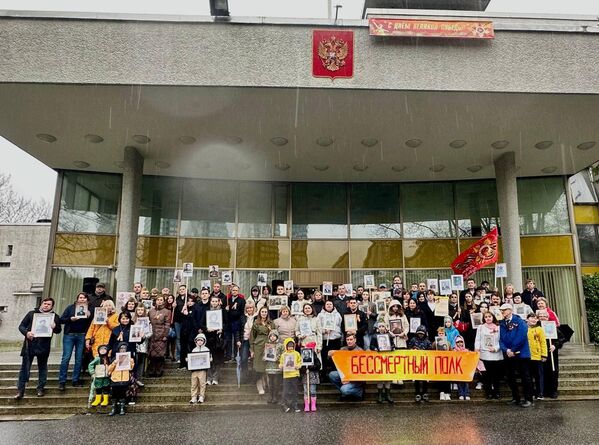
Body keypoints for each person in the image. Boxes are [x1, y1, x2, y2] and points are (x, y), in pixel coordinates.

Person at [14, 297, 62, 399]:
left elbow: (58, 330)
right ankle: (20, 391)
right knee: (24, 369)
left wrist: (55, 326)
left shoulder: (55, 317)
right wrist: (27, 333)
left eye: (49, 304)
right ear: (41, 304)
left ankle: (40, 388)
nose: (46, 305)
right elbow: (21, 326)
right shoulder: (32, 314)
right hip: (30, 345)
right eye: (44, 303)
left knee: (43, 368)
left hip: (44, 346)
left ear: (52, 306)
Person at [499, 303, 533, 408]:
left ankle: (528, 399)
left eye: (504, 310)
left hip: (521, 353)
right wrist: (506, 350)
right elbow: (501, 339)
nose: (502, 312)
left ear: (510, 310)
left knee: (525, 377)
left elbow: (521, 337)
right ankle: (516, 398)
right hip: (509, 354)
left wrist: (513, 349)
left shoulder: (519, 321)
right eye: (502, 310)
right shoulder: (502, 323)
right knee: (510, 377)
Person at [59, 292, 93, 390]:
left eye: (84, 298)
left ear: (87, 299)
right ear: (77, 299)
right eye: (80, 298)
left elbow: (94, 323)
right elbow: (61, 319)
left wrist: (89, 316)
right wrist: (71, 319)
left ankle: (75, 380)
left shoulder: (89, 309)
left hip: (82, 335)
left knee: (79, 359)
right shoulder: (70, 307)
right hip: (69, 335)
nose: (82, 299)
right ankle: (62, 381)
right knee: (66, 357)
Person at [474, 311, 503, 399]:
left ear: (493, 317)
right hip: (485, 353)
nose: (488, 318)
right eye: (486, 317)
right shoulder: (481, 327)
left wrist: (495, 348)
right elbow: (478, 339)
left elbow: (501, 340)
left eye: (489, 316)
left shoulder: (498, 328)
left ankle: (497, 392)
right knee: (487, 375)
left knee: (496, 375)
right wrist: (477, 348)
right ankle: (489, 392)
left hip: (496, 354)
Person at [537, 309, 565, 398]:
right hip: (539, 352)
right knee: (541, 372)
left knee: (552, 371)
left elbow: (561, 338)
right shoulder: (535, 327)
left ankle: (553, 391)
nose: (542, 317)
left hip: (551, 352)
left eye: (544, 316)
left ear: (547, 317)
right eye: (540, 316)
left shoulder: (552, 326)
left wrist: (555, 345)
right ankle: (543, 390)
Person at [328, 333, 364, 401]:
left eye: (351, 339)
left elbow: (360, 370)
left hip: (356, 378)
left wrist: (349, 379)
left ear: (355, 340)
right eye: (347, 340)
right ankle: (345, 393)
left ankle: (358, 392)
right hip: (345, 374)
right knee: (332, 374)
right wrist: (330, 355)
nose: (349, 341)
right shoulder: (342, 349)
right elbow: (338, 363)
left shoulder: (360, 350)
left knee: (344, 389)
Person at [250, 306, 275, 395]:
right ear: (260, 313)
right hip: (258, 347)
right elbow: (252, 337)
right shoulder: (256, 323)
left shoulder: (271, 323)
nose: (264, 313)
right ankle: (260, 386)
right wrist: (252, 350)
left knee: (267, 367)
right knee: (259, 368)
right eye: (262, 312)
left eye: (265, 312)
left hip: (269, 346)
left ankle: (267, 385)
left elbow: (274, 334)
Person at [201, 295, 227, 385]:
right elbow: (201, 324)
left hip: (218, 339)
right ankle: (209, 377)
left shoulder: (222, 312)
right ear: (210, 302)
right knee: (209, 359)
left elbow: (226, 323)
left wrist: (222, 329)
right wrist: (207, 329)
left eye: (216, 301)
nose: (214, 303)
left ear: (219, 302)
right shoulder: (206, 312)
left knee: (217, 359)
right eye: (213, 301)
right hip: (209, 338)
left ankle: (215, 378)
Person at [370, 321, 395, 404]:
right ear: (378, 328)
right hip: (378, 359)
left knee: (388, 377)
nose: (381, 328)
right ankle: (380, 395)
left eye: (383, 326)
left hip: (387, 359)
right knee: (380, 377)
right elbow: (371, 346)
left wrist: (391, 348)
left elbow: (393, 345)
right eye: (380, 326)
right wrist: (375, 349)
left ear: (385, 328)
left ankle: (388, 395)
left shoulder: (389, 336)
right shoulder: (374, 336)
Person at [107, 342, 134, 416]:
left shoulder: (129, 358)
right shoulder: (115, 358)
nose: (123, 350)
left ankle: (122, 408)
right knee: (114, 394)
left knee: (122, 394)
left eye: (124, 348)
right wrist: (114, 363)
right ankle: (113, 408)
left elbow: (131, 368)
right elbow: (109, 369)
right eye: (121, 348)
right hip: (115, 379)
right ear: (118, 349)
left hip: (124, 378)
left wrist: (130, 361)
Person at [317, 300, 343, 378]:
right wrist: (324, 331)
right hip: (325, 339)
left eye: (330, 304)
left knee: (335, 358)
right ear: (324, 306)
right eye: (327, 304)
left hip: (335, 339)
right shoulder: (320, 315)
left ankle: (335, 375)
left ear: (333, 305)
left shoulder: (337, 315)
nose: (329, 305)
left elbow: (340, 325)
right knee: (324, 357)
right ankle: (324, 375)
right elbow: (317, 327)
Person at [408, 325, 432, 403]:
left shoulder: (427, 341)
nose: (420, 335)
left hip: (425, 363)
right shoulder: (413, 340)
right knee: (417, 379)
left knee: (425, 379)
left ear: (425, 334)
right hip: (416, 363)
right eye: (419, 333)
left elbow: (431, 351)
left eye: (422, 333)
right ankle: (417, 393)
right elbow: (409, 348)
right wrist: (413, 349)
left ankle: (425, 393)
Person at [148, 295, 171, 377]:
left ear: (164, 301)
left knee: (160, 354)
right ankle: (151, 371)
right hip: (152, 334)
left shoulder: (167, 311)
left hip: (161, 334)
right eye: (158, 300)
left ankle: (159, 371)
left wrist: (165, 335)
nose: (159, 301)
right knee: (152, 354)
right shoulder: (151, 311)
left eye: (161, 300)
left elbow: (167, 324)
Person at [526, 312, 547, 400]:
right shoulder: (524, 329)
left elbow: (543, 342)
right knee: (528, 377)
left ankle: (540, 393)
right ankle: (531, 393)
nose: (533, 320)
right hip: (526, 355)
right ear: (527, 319)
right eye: (531, 318)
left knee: (538, 376)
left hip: (537, 356)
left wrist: (544, 355)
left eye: (535, 318)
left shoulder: (540, 329)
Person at [132, 304, 153, 387]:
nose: (140, 312)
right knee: (134, 362)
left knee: (141, 363)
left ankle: (139, 379)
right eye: (138, 310)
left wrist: (144, 336)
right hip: (133, 344)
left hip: (143, 345)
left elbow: (150, 333)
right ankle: (132, 379)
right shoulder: (132, 320)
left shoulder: (147, 321)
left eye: (142, 310)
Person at [279, 337, 302, 413]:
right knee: (285, 391)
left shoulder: (297, 354)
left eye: (292, 346)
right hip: (286, 375)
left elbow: (300, 361)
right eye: (289, 346)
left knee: (295, 391)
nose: (290, 347)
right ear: (286, 346)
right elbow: (281, 363)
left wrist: (298, 366)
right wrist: (281, 366)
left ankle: (294, 404)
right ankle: (284, 404)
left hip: (294, 374)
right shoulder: (284, 355)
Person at [224, 284, 245, 362]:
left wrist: (235, 309)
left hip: (237, 322)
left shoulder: (241, 300)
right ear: (231, 291)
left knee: (237, 339)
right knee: (228, 339)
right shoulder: (227, 299)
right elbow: (224, 310)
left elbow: (242, 311)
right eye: (233, 290)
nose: (234, 291)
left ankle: (236, 356)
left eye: (236, 290)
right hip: (229, 322)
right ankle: (229, 356)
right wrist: (226, 309)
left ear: (238, 291)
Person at [188, 333, 211, 404]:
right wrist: (188, 360)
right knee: (194, 384)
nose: (200, 341)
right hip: (194, 371)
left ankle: (201, 396)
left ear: (204, 341)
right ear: (196, 341)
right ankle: (193, 397)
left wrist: (210, 359)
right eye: (198, 340)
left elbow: (209, 358)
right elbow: (191, 359)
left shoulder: (207, 349)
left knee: (202, 383)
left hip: (202, 370)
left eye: (201, 340)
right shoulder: (194, 350)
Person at [264, 329, 284, 405]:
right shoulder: (267, 345)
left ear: (277, 336)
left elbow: (283, 355)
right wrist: (265, 357)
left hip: (277, 367)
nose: (272, 337)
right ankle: (270, 395)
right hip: (269, 366)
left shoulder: (280, 345)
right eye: (271, 336)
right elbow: (264, 354)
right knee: (270, 382)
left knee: (276, 382)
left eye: (274, 336)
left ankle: (275, 396)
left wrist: (278, 358)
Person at [88, 344, 111, 408]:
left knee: (106, 387)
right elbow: (90, 365)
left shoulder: (108, 359)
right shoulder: (97, 359)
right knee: (98, 388)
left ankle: (105, 399)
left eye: (105, 349)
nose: (103, 351)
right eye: (101, 349)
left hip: (106, 376)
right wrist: (92, 372)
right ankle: (98, 399)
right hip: (98, 376)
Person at [301, 341, 321, 412]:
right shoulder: (302, 358)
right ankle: (306, 404)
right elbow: (301, 368)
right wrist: (304, 368)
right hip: (305, 377)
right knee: (306, 391)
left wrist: (311, 367)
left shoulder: (315, 358)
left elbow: (318, 366)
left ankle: (313, 404)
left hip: (313, 377)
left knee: (312, 390)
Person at [240, 301, 256, 381]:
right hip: (245, 340)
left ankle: (254, 378)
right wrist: (238, 340)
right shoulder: (243, 317)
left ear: (253, 308)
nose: (249, 309)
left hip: (255, 341)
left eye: (251, 308)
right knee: (243, 359)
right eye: (248, 308)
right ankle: (244, 377)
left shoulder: (257, 317)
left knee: (254, 359)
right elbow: (239, 329)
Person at [453, 335, 471, 400]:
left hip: (465, 368)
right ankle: (460, 394)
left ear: (463, 342)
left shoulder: (466, 350)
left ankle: (467, 394)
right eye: (458, 342)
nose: (459, 343)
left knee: (466, 382)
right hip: (458, 368)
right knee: (459, 382)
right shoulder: (454, 351)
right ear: (455, 343)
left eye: (461, 342)